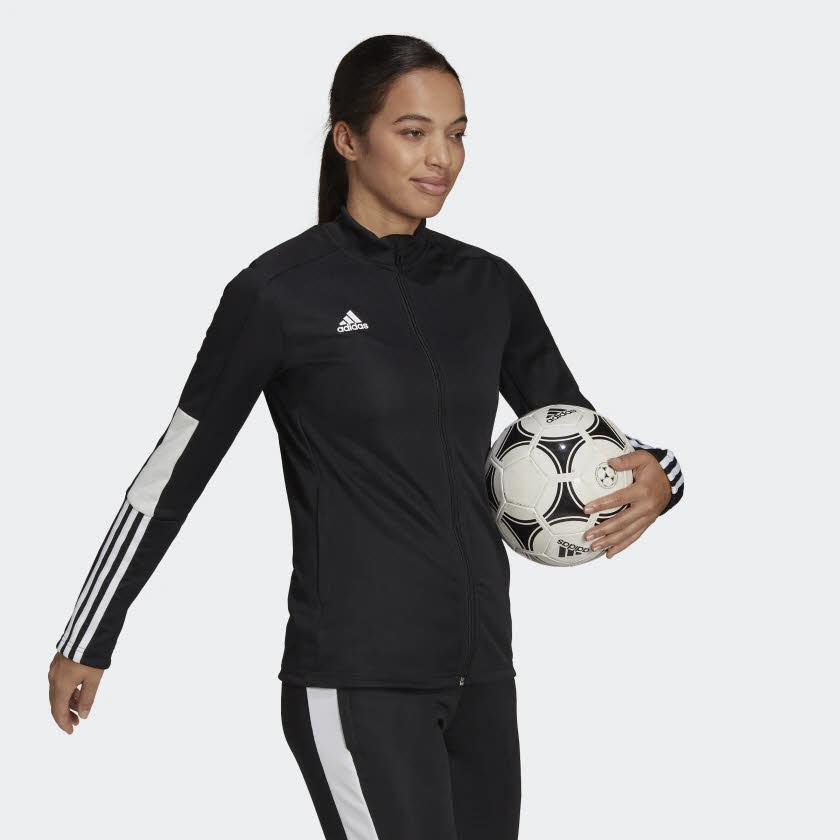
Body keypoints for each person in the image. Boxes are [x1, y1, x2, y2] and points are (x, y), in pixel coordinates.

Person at [48, 34, 685, 840]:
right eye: (413, 132)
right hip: (358, 678)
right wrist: (90, 634)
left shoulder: (487, 285)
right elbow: (171, 474)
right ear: (348, 140)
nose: (442, 157)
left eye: (457, 133)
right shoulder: (277, 294)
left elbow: (581, 442)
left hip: (484, 674)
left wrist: (663, 475)